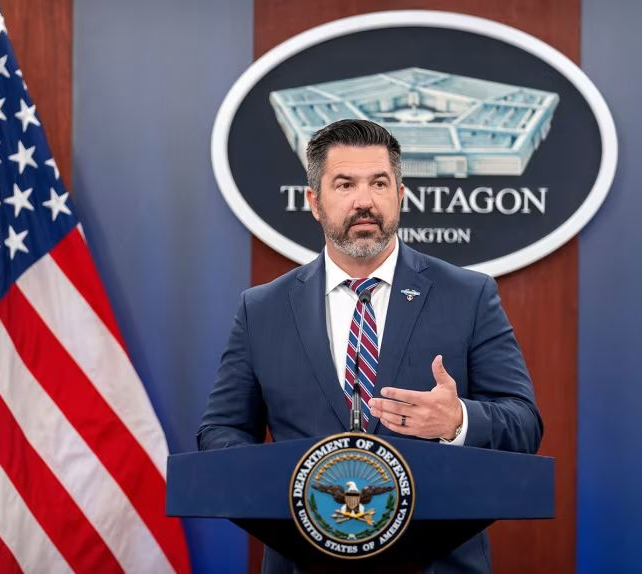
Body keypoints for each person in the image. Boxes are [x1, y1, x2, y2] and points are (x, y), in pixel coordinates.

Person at [197, 119, 542, 573]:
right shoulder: (262, 309)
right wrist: (274, 477)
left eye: (379, 183)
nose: (364, 200)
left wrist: (458, 420)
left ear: (400, 195)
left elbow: (524, 424)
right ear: (314, 202)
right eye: (345, 184)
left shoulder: (468, 296)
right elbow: (220, 430)